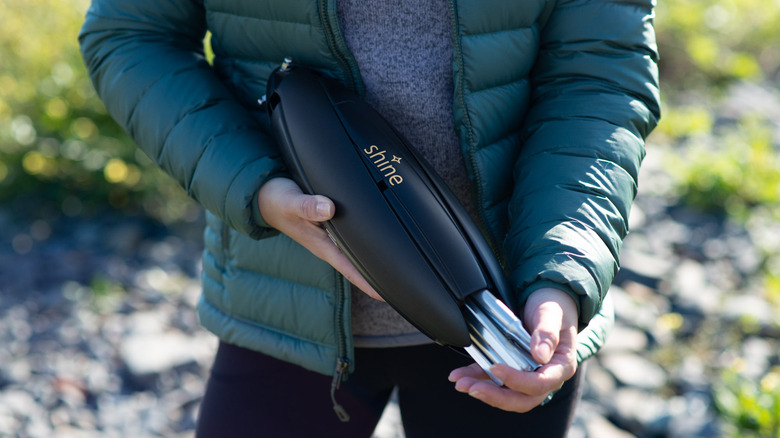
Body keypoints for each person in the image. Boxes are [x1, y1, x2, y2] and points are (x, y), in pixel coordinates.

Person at [79, 0, 660, 436]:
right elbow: (131, 34)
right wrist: (255, 186)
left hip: (511, 318)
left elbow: (599, 75)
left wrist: (561, 272)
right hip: (282, 305)